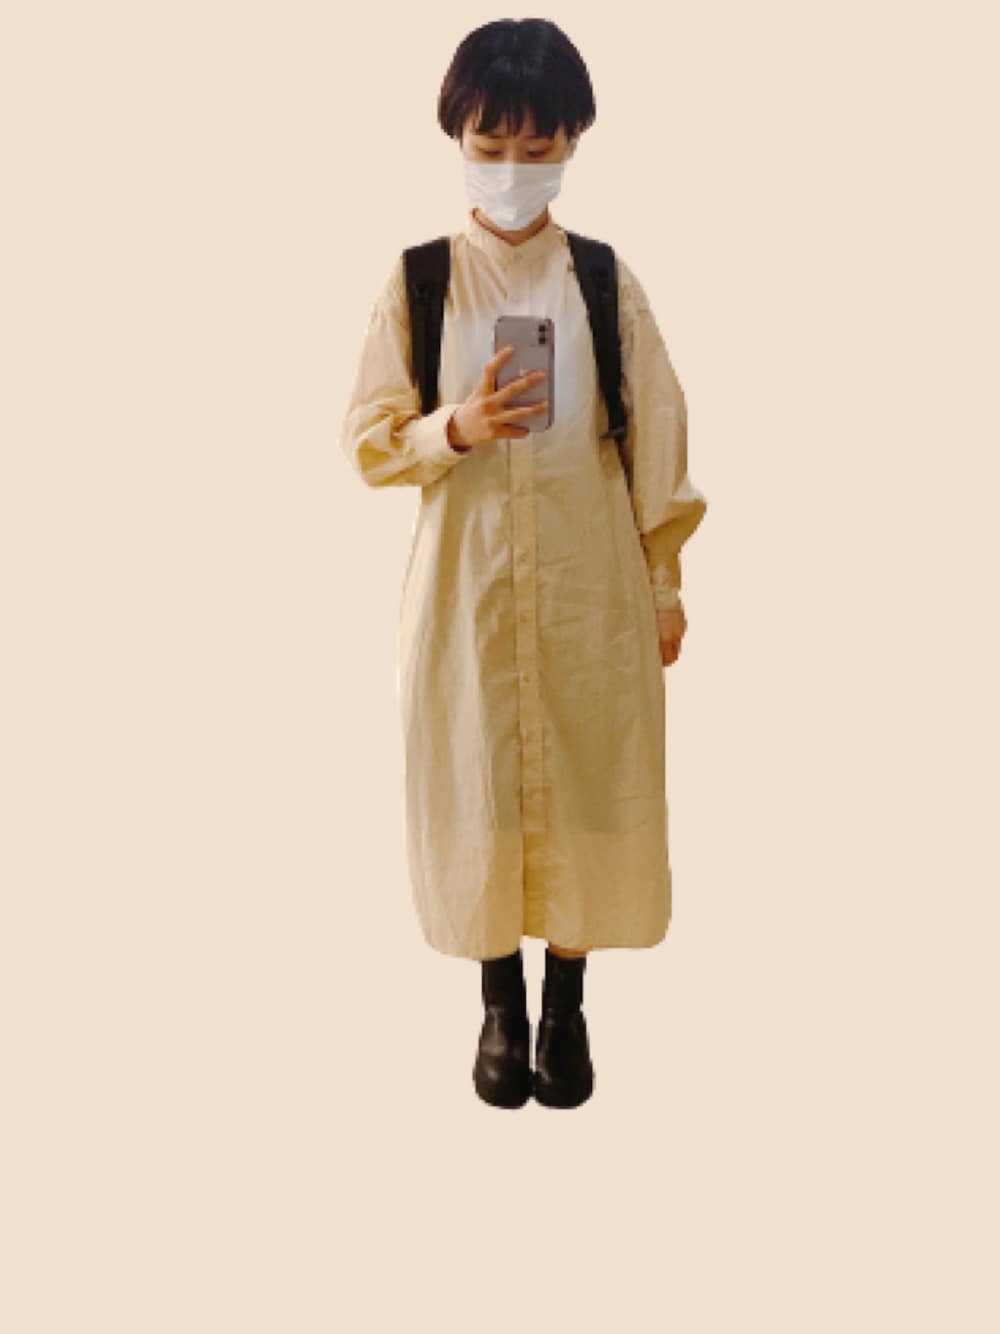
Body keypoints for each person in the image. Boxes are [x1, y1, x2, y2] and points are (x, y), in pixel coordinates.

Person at [339, 19, 708, 1110]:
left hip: (591, 595)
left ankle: (567, 1006)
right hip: (467, 599)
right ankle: (499, 1004)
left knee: (591, 785)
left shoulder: (602, 281)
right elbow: (367, 440)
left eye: (535, 145)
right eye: (490, 144)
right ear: (457, 137)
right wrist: (453, 427)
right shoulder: (418, 281)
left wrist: (666, 585)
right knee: (477, 784)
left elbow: (658, 442)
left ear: (571, 142)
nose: (511, 167)